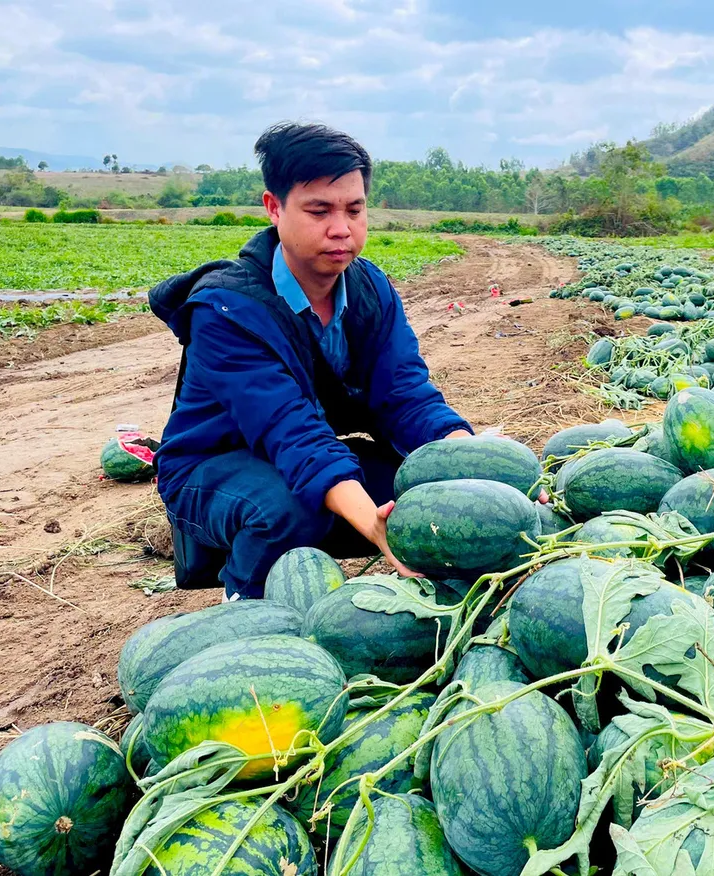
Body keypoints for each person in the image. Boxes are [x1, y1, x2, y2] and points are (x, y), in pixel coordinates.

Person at [149, 122, 472, 600]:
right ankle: (247, 612)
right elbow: (291, 430)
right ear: (274, 208)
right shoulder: (227, 309)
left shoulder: (371, 291)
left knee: (430, 489)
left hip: (302, 455)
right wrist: (374, 525)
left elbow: (405, 396)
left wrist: (473, 462)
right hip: (208, 470)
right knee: (290, 508)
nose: (341, 229)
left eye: (354, 210)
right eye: (319, 210)